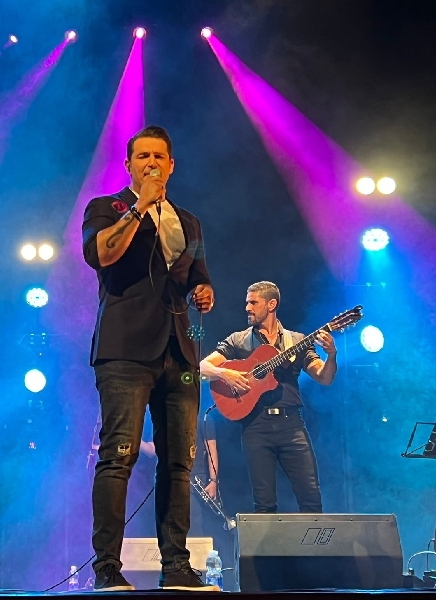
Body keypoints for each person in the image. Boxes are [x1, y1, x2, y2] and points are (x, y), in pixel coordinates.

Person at [81, 125, 216, 591]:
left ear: (171, 165)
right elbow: (101, 255)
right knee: (118, 457)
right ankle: (106, 568)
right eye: (143, 156)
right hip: (125, 351)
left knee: (179, 462)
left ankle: (176, 564)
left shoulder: (189, 221)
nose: (151, 163)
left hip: (179, 351)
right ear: (129, 165)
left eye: (159, 156)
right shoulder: (107, 208)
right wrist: (140, 206)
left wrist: (203, 291)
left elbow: (198, 275)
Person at [199, 281, 336, 513]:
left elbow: (324, 377)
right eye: (247, 303)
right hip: (255, 426)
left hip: (292, 425)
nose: (247, 308)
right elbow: (202, 368)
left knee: (311, 496)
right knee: (264, 504)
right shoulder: (238, 340)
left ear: (271, 304)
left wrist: (331, 355)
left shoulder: (296, 340)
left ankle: (314, 539)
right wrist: (225, 374)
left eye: (253, 303)